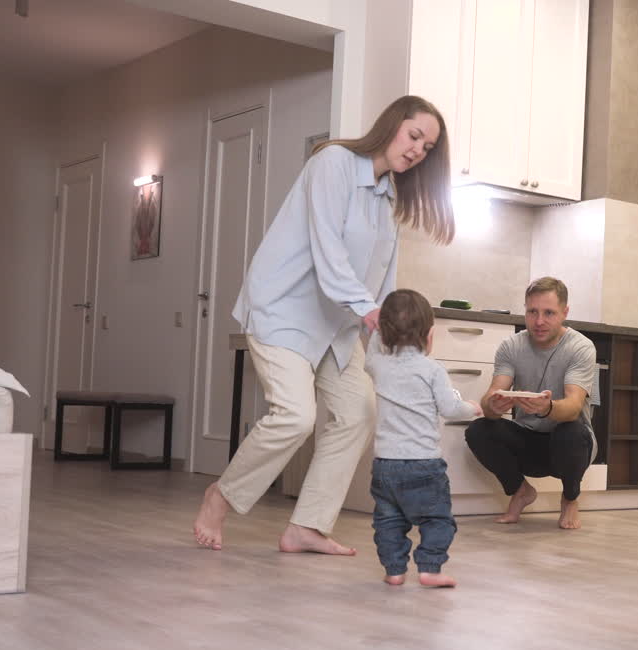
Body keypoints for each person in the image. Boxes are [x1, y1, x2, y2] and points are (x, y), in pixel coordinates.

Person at [192, 96, 455, 553]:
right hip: (285, 309)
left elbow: (382, 276)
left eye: (428, 147)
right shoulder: (333, 163)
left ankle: (307, 525)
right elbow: (326, 249)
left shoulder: (390, 196)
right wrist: (367, 309)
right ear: (392, 124)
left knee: (359, 412)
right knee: (295, 416)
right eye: (415, 136)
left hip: (337, 324)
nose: (418, 150)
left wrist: (392, 330)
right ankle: (221, 496)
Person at [364, 289, 480, 588]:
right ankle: (429, 568)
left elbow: (371, 353)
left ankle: (394, 570)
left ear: (384, 332)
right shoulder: (433, 369)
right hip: (423, 466)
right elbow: (451, 408)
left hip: (385, 465)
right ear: (430, 334)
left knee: (388, 521)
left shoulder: (379, 365)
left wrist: (377, 331)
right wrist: (474, 408)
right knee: (437, 519)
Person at [464, 277, 598, 530]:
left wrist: (548, 408)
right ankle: (521, 491)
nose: (539, 321)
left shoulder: (581, 347)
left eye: (549, 313)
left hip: (567, 446)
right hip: (527, 440)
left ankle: (570, 498)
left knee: (573, 431)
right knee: (479, 429)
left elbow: (573, 406)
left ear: (565, 312)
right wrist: (494, 405)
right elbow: (491, 395)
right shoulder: (511, 346)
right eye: (532, 312)